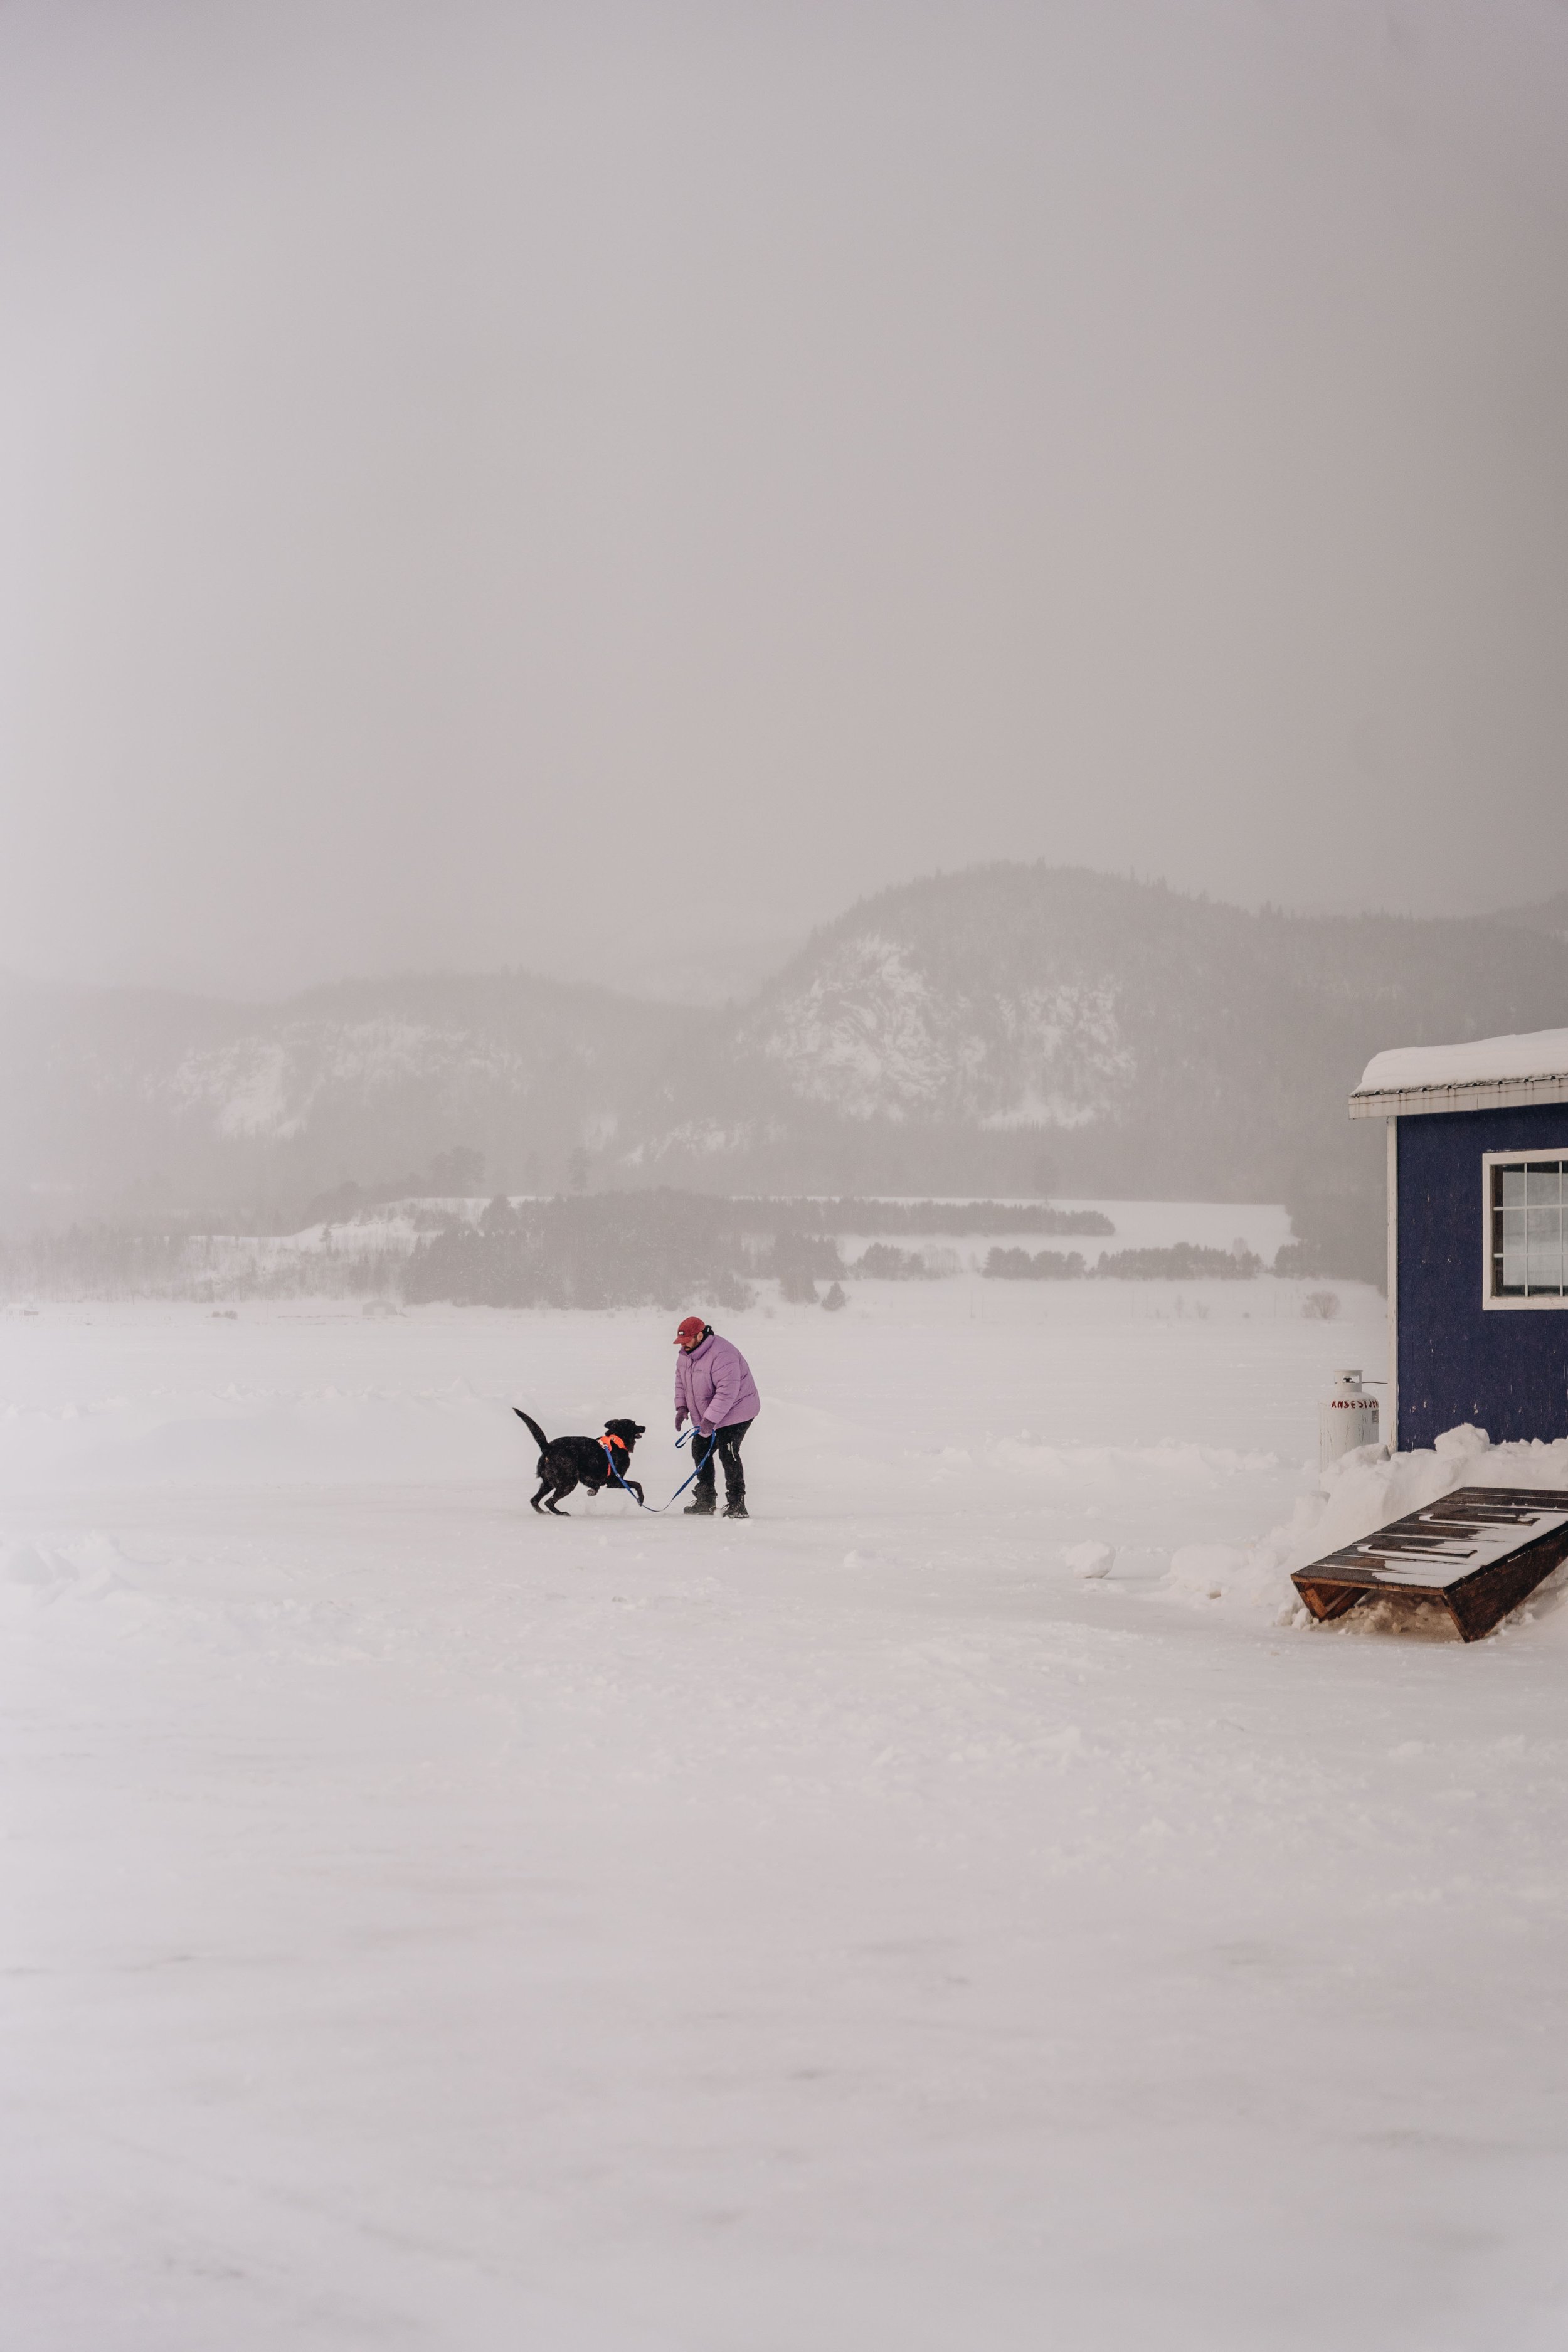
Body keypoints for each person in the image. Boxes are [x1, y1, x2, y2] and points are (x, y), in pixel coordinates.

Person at [673, 1315, 760, 1518]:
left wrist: (710, 1420)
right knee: (700, 1448)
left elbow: (727, 1392)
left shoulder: (723, 1354)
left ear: (700, 1336)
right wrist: (682, 1407)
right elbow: (681, 1382)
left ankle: (737, 1504)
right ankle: (706, 1500)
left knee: (728, 1452)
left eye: (687, 1340)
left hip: (738, 1409)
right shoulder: (685, 1355)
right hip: (711, 1413)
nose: (683, 1345)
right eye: (681, 1341)